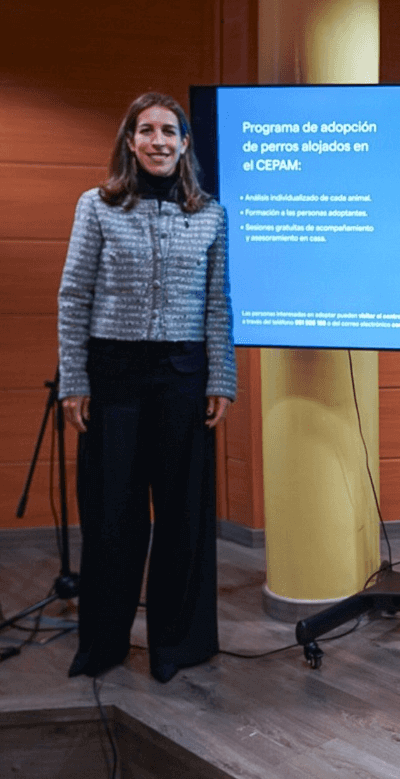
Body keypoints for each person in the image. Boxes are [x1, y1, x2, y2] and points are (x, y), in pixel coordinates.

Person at [58, 92, 237, 683]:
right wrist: (74, 379)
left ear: (184, 144)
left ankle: (177, 646)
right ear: (130, 142)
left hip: (184, 378)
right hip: (114, 378)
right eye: (146, 130)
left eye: (168, 131)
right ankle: (103, 645)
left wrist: (222, 378)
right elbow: (74, 295)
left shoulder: (210, 213)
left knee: (184, 517)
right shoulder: (98, 206)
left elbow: (217, 303)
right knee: (112, 514)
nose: (158, 140)